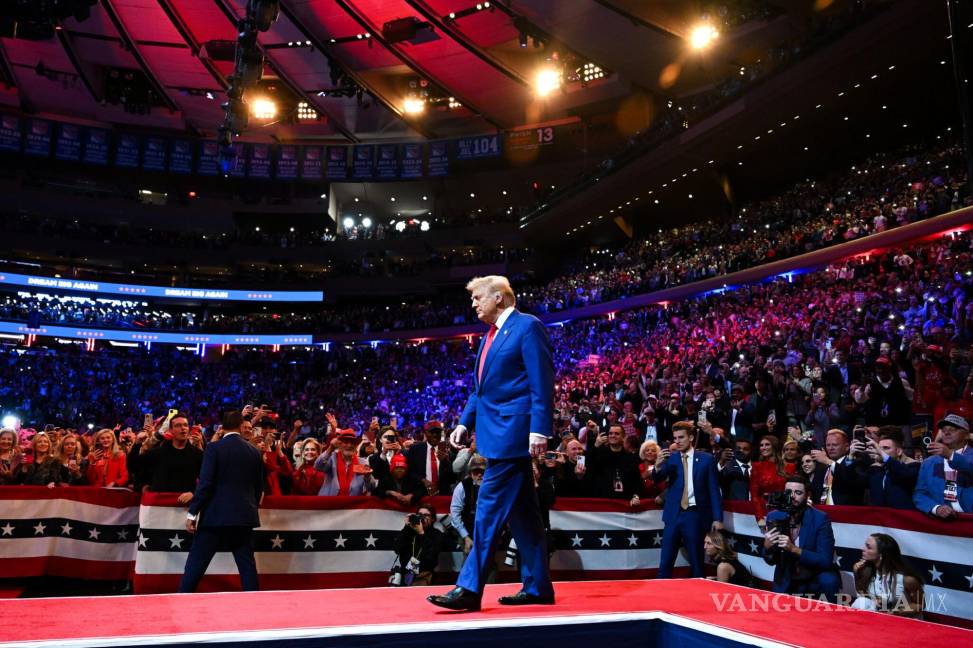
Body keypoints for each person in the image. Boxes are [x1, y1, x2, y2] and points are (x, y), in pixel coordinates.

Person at [430, 275, 554, 611]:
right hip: (495, 433)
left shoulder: (528, 327)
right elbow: (480, 390)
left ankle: (469, 588)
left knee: (485, 513)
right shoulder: (489, 336)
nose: (473, 303)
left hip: (512, 436)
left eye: (477, 297)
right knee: (525, 517)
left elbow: (542, 382)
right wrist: (463, 423)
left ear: (500, 297)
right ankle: (539, 586)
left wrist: (539, 429)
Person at [179, 410, 265, 593]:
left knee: (195, 566)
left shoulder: (214, 448)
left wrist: (192, 512)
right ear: (241, 425)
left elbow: (205, 485)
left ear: (222, 427)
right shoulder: (254, 452)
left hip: (214, 518)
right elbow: (258, 489)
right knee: (247, 566)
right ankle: (257, 606)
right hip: (243, 518)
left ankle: (182, 599)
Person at [653, 421, 723, 578]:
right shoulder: (671, 459)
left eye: (681, 437)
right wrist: (657, 466)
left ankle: (698, 594)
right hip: (673, 515)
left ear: (691, 437)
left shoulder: (706, 459)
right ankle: (658, 593)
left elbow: (713, 490)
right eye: (675, 438)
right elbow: (658, 478)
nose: (677, 441)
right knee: (665, 562)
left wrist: (718, 518)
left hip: (694, 515)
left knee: (697, 562)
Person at [762, 474, 840, 601]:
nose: (792, 496)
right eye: (788, 492)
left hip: (814, 574)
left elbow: (825, 560)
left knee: (829, 581)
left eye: (798, 492)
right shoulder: (774, 516)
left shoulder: (820, 518)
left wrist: (793, 549)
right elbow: (770, 561)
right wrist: (767, 547)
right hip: (787, 575)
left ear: (807, 495)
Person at [913, 414, 973, 516]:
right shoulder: (928, 462)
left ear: (967, 435)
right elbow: (919, 494)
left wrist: (950, 455)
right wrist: (936, 508)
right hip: (942, 522)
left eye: (953, 429)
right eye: (943, 429)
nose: (946, 432)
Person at [852, 533, 924, 616]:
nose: (863, 549)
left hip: (902, 619)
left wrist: (896, 611)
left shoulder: (907, 579)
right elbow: (861, 594)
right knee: (860, 603)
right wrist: (874, 601)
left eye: (869, 547)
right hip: (878, 616)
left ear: (881, 554)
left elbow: (919, 605)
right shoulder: (861, 569)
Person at [137, 413, 203, 502]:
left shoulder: (197, 454)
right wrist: (143, 486)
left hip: (185, 507)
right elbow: (135, 465)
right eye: (178, 425)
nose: (183, 428)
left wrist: (194, 493)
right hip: (160, 505)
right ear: (170, 430)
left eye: (185, 425)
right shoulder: (159, 453)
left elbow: (207, 480)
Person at [865, 426, 920, 509]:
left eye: (886, 448)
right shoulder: (875, 468)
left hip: (902, 519)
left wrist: (883, 455)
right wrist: (851, 458)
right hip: (878, 519)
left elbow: (904, 473)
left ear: (899, 451)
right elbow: (854, 485)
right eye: (879, 448)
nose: (880, 451)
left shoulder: (914, 465)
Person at [750, 436, 797, 529]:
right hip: (766, 510)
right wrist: (759, 517)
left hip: (785, 511)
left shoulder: (790, 467)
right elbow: (754, 495)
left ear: (774, 446)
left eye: (767, 444)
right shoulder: (756, 467)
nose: (763, 447)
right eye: (761, 445)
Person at [314, 424, 375, 496]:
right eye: (346, 442)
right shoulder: (332, 458)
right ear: (339, 444)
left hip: (351, 504)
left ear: (356, 445)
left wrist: (367, 477)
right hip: (330, 503)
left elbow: (371, 488)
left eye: (352, 442)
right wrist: (330, 448)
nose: (349, 445)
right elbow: (317, 466)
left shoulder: (362, 462)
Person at [392, 504, 445, 586]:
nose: (422, 518)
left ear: (433, 519)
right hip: (404, 575)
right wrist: (406, 527)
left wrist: (421, 533)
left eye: (426, 515)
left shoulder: (437, 535)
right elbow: (397, 549)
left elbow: (431, 555)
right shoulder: (409, 531)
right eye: (420, 515)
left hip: (424, 576)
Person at [449, 455, 487, 558]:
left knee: (488, 565)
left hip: (487, 532)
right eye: (476, 471)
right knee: (469, 563)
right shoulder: (462, 487)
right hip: (467, 530)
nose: (479, 474)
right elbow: (455, 513)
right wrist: (465, 536)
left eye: (482, 472)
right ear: (470, 473)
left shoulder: (492, 486)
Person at [406, 421, 455, 496]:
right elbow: (409, 472)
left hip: (442, 495)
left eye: (437, 432)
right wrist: (423, 480)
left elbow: (452, 479)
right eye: (431, 432)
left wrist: (446, 462)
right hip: (420, 494)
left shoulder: (448, 453)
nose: (435, 435)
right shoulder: (415, 449)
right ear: (425, 433)